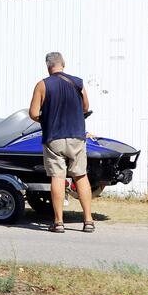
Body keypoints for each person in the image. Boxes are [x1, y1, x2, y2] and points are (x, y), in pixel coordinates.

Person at [29, 52, 94, 233]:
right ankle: (88, 221)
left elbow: (33, 113)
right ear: (63, 64)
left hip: (54, 138)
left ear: (48, 66)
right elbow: (85, 107)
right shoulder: (78, 82)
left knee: (57, 177)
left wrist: (48, 117)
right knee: (80, 176)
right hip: (76, 136)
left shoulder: (42, 85)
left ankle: (58, 222)